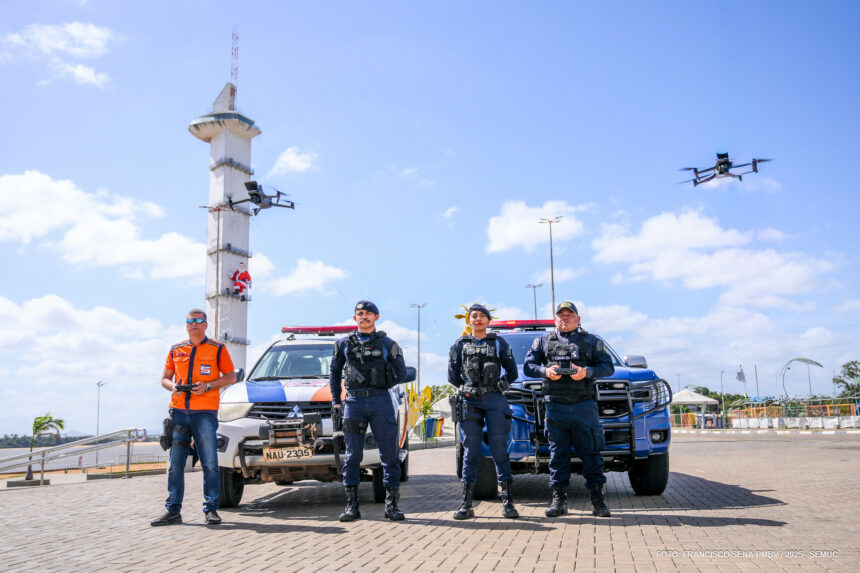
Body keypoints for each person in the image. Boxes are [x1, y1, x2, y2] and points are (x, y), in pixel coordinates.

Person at [523, 301, 615, 518]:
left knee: (591, 453)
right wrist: (546, 371)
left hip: (584, 405)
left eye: (569, 315)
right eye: (561, 315)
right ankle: (559, 499)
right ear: (555, 320)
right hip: (555, 406)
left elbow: (608, 367)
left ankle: (597, 500)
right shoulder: (543, 342)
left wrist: (587, 372)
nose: (565, 318)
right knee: (558, 455)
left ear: (578, 319)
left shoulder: (591, 341)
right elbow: (528, 366)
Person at [151, 309, 236, 526]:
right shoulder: (176, 349)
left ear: (206, 325)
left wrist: (207, 386)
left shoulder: (218, 348)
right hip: (179, 413)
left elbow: (230, 376)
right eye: (190, 320)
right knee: (175, 465)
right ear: (186, 324)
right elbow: (164, 379)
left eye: (199, 320)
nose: (194, 324)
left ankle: (211, 510)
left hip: (205, 414)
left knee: (209, 462)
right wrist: (174, 388)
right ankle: (173, 511)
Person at [330, 301, 408, 522]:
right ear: (355, 318)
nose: (363, 317)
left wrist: (381, 380)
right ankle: (351, 507)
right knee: (353, 455)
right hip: (353, 403)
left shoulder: (387, 343)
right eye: (359, 313)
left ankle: (391, 506)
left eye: (368, 314)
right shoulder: (343, 344)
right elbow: (335, 373)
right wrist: (337, 401)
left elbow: (401, 372)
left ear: (377, 317)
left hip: (381, 401)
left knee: (389, 455)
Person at [448, 303, 520, 520]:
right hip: (470, 401)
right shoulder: (459, 344)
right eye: (473, 316)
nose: (477, 319)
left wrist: (500, 385)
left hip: (494, 400)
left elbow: (513, 372)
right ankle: (466, 504)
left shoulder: (499, 343)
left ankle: (508, 503)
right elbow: (452, 376)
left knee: (499, 450)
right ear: (468, 321)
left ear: (489, 320)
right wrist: (467, 388)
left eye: (482, 316)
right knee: (471, 451)